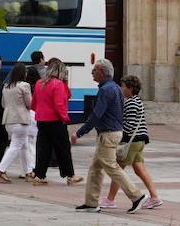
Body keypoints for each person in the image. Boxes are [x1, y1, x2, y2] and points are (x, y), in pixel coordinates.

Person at [71, 60, 148, 213]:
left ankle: (137, 196)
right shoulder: (115, 88)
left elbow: (96, 115)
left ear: (102, 72)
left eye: (95, 69)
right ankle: (91, 202)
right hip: (112, 132)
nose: (92, 72)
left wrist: (79, 132)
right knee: (95, 168)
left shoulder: (106, 90)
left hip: (108, 134)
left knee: (112, 167)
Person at [100, 76, 161, 210]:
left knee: (117, 170)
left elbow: (129, 125)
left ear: (131, 89)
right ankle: (154, 197)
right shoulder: (137, 101)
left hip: (133, 141)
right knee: (140, 170)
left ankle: (110, 199)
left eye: (123, 86)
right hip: (139, 140)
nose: (121, 89)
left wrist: (121, 138)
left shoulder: (131, 103)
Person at [32, 59, 82, 185]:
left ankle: (39, 175)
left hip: (41, 120)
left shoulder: (39, 83)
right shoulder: (58, 84)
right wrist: (65, 118)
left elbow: (33, 104)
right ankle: (70, 175)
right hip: (55, 120)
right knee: (63, 148)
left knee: (43, 149)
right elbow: (59, 104)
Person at [0, 63, 34, 182]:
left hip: (8, 120)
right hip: (21, 120)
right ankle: (0, 170)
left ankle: (28, 172)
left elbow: (3, 104)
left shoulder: (6, 86)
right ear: (23, 73)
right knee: (16, 146)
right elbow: (30, 104)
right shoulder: (24, 86)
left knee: (24, 145)